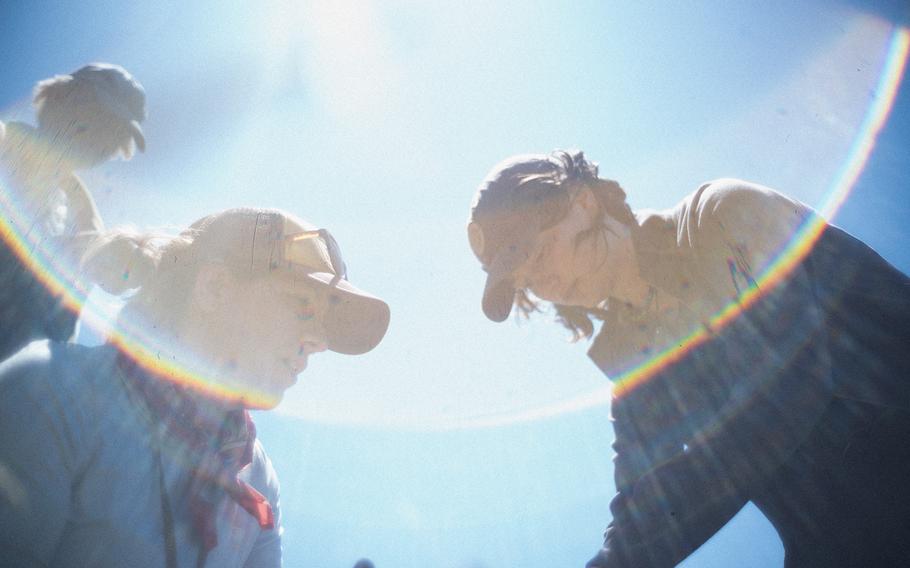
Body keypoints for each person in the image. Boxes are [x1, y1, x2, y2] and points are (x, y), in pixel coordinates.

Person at [466, 150, 910, 567]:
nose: (544, 283)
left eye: (539, 254)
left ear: (582, 202)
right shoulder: (633, 372)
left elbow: (792, 393)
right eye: (527, 282)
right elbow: (643, 515)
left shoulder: (723, 213)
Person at [0, 207, 391, 567]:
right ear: (214, 288)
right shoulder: (53, 390)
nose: (318, 340)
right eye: (302, 303)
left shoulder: (256, 478)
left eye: (323, 322)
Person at [0, 62, 146, 360]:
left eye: (116, 135)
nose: (102, 141)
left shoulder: (85, 224)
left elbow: (56, 335)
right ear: (60, 97)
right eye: (97, 117)